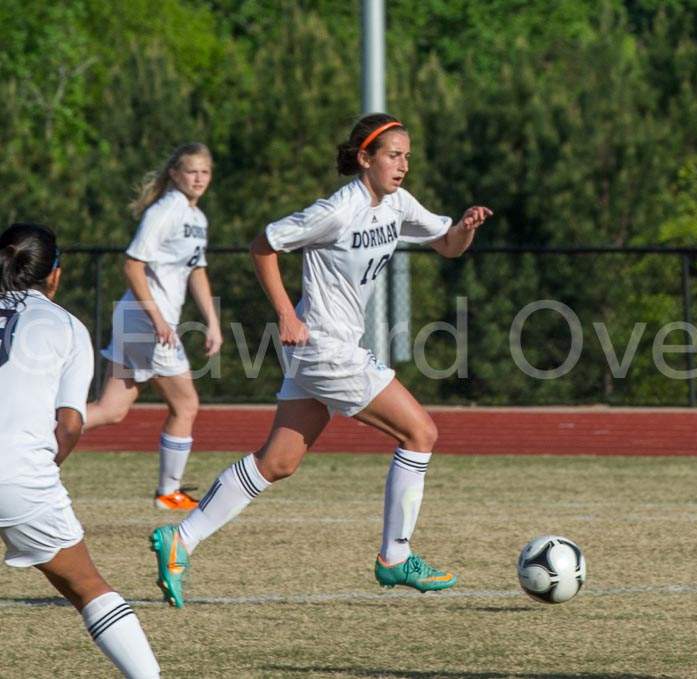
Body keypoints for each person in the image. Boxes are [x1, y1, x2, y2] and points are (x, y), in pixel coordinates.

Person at [149, 113, 492, 607]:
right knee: (421, 432)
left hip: (328, 350)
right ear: (365, 158)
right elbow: (263, 246)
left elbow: (447, 246)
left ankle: (181, 539)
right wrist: (286, 314)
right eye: (394, 155)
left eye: (407, 156)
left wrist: (464, 227)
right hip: (324, 348)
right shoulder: (337, 209)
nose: (403, 165)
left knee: (279, 462)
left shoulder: (396, 202)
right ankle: (395, 556)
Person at [0, 223, 161, 678]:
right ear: (55, 274)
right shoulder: (66, 326)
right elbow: (69, 425)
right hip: (19, 475)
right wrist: (34, 474)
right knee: (86, 586)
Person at [86, 143, 223, 511]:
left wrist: (213, 322)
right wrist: (158, 319)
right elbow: (132, 265)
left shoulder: (198, 218)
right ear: (175, 174)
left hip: (141, 320)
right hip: (147, 322)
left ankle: (32, 433)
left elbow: (197, 271)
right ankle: (168, 493)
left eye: (205, 172)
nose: (199, 178)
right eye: (191, 171)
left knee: (111, 410)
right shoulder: (165, 211)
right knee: (186, 404)